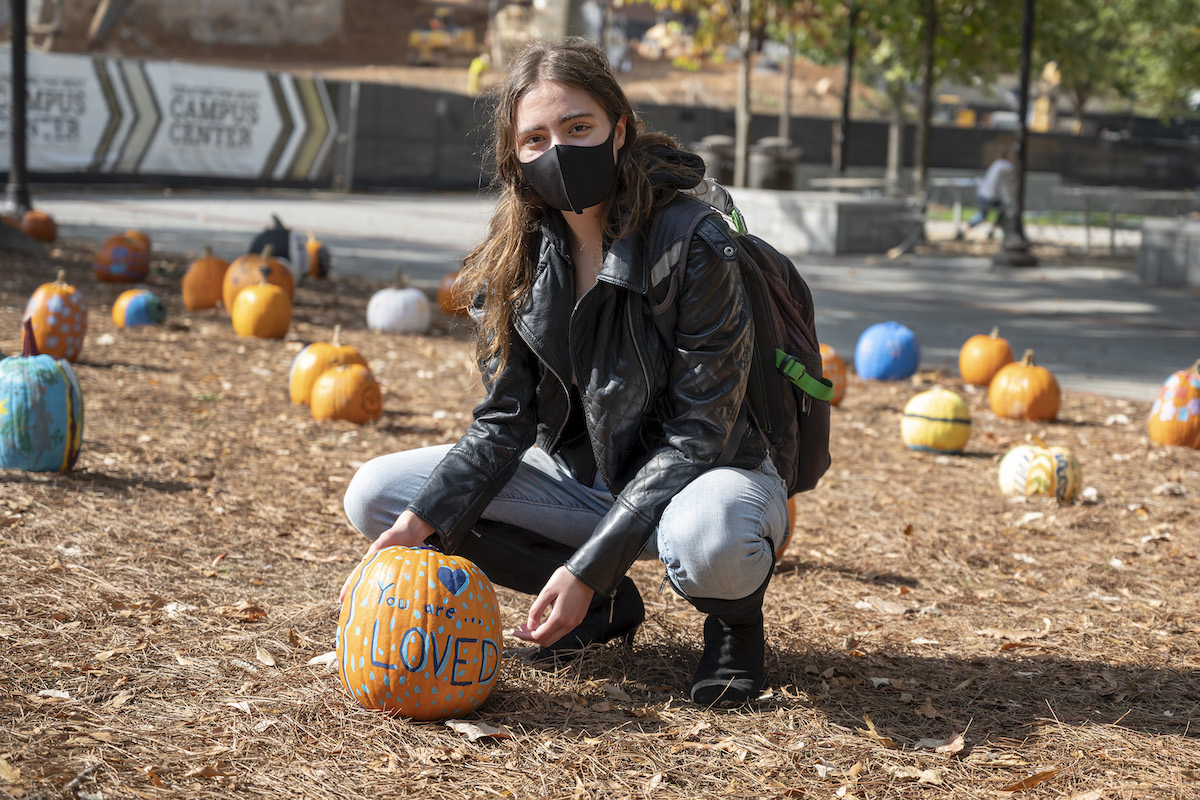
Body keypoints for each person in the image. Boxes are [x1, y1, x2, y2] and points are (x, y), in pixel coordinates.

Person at [341, 37, 788, 707]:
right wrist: (418, 523)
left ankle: (734, 629)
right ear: (515, 160)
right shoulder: (515, 258)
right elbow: (505, 418)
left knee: (711, 539)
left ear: (619, 128)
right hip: (587, 481)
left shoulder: (694, 242)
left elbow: (701, 431)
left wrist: (589, 566)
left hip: (709, 475)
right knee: (379, 497)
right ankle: (605, 609)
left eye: (578, 128)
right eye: (536, 138)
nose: (558, 150)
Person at [965, 147, 1016, 239]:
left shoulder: (997, 163)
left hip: (989, 195)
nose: (1014, 157)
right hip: (988, 196)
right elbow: (1015, 172)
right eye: (1013, 155)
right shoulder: (1004, 165)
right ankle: (965, 231)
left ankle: (991, 231)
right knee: (983, 216)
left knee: (1005, 210)